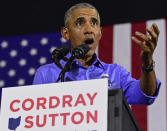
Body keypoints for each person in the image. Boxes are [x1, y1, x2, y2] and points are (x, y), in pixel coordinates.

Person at [33, 3, 161, 105]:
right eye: (80, 23)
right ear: (65, 33)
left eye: (93, 23)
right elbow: (37, 116)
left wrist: (147, 62)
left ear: (99, 33)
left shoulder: (115, 73)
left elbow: (145, 95)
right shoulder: (46, 74)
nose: (89, 30)